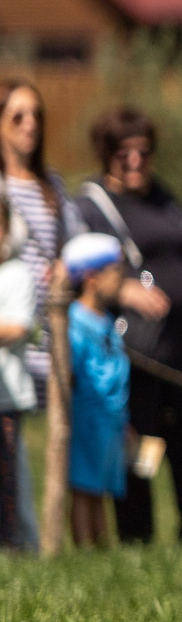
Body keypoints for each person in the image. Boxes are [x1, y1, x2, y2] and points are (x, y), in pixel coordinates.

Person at [67, 107, 182, 542]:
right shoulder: (91, 206)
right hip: (135, 357)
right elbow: (76, 273)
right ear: (105, 154)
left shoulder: (165, 199)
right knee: (138, 449)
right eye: (123, 153)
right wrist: (123, 290)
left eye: (143, 152)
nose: (134, 161)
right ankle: (138, 539)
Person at [1, 79, 65, 546]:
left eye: (37, 115)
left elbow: (70, 248)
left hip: (45, 333)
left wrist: (65, 269)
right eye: (18, 115)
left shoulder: (52, 186)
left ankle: (39, 538)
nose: (30, 125)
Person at [61, 232, 131, 549]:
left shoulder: (106, 321)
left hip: (111, 420)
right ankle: (84, 551)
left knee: (100, 489)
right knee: (84, 489)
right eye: (115, 271)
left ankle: (103, 552)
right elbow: (69, 374)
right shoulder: (74, 322)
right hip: (86, 417)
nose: (121, 279)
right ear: (92, 278)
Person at [0, 197, 35, 549]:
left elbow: (18, 327)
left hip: (7, 399)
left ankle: (16, 547)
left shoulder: (16, 273)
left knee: (9, 480)